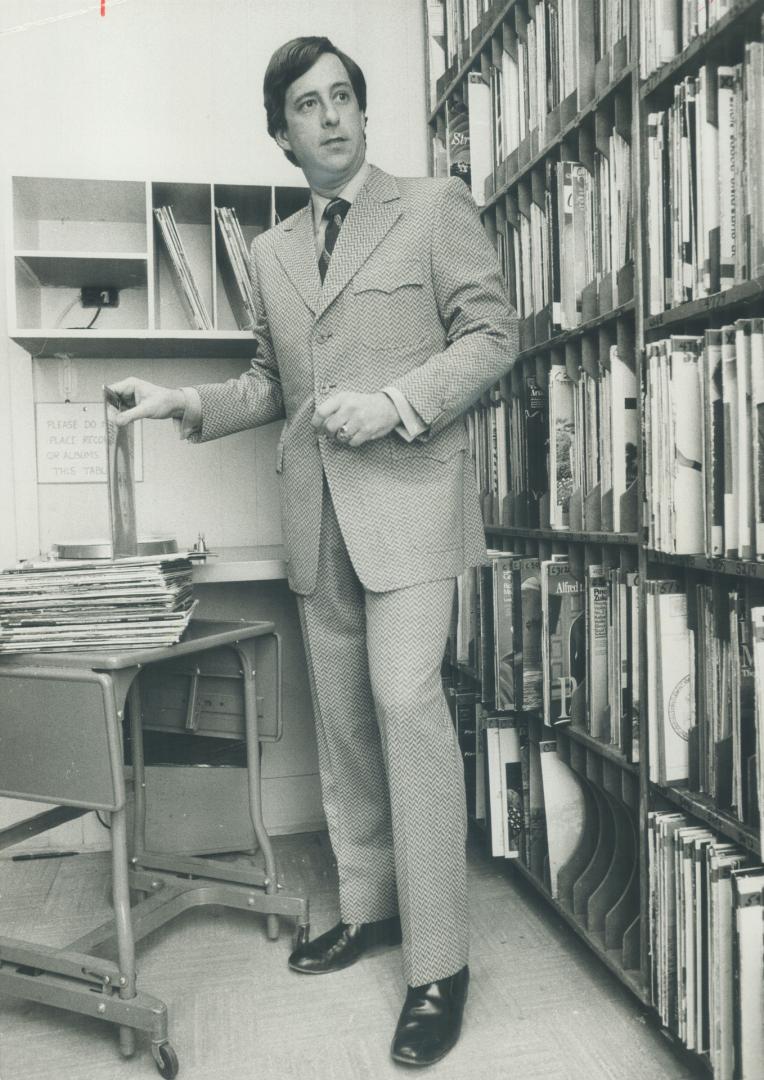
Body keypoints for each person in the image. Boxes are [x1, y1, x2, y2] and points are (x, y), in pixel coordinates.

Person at [111, 35, 517, 1068]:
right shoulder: (272, 251)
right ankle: (371, 908)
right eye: (307, 104)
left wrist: (395, 404)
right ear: (279, 131)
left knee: (404, 709)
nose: (330, 115)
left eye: (343, 96)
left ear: (359, 112)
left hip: (413, 506)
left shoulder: (431, 207)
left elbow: (490, 337)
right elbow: (268, 383)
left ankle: (438, 966)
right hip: (316, 519)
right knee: (341, 732)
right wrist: (183, 406)